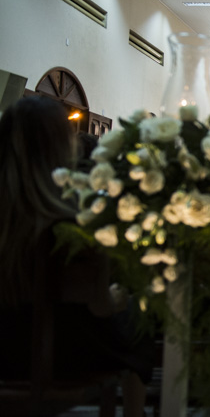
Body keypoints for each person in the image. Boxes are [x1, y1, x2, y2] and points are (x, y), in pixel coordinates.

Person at [0, 96, 151, 417]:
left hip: (4, 350)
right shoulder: (76, 221)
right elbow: (100, 305)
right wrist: (119, 297)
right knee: (136, 321)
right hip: (62, 355)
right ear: (61, 149)